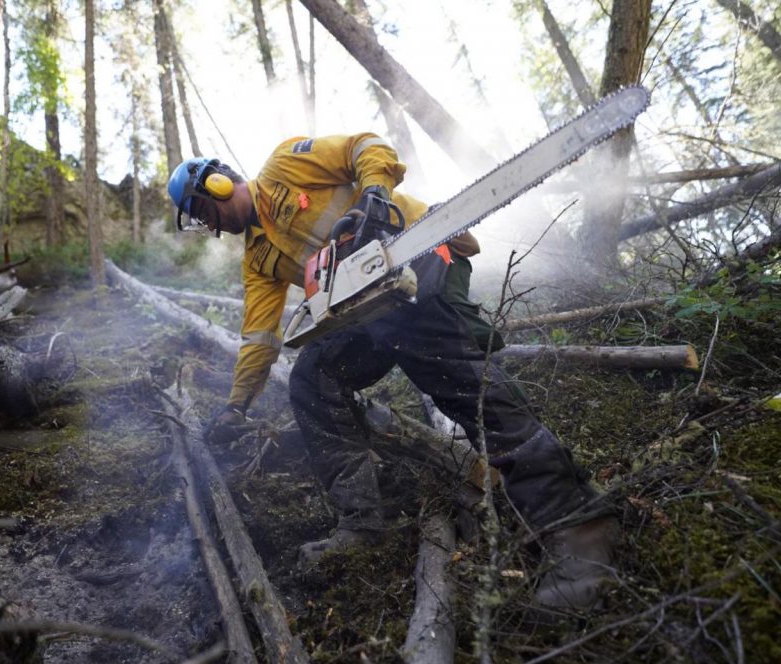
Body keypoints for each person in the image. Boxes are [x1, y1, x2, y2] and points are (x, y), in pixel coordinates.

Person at [167, 134, 618, 611]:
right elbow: (259, 336)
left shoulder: (285, 166)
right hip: (369, 305)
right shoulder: (258, 259)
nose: (212, 226)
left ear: (217, 185)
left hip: (422, 252)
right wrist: (237, 404)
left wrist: (374, 193)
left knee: (447, 369)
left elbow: (364, 146)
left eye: (205, 214)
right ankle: (362, 522)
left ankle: (575, 520)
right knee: (313, 379)